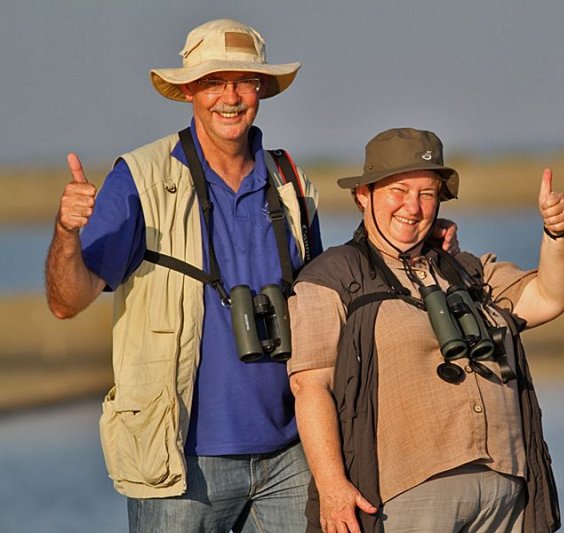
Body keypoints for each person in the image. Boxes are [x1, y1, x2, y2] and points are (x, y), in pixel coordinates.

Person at [45, 19, 455, 533]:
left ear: (261, 89)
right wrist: (66, 231)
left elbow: (333, 289)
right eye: (215, 81)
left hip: (292, 455)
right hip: (180, 461)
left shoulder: (289, 179)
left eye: (244, 81)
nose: (230, 97)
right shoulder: (141, 177)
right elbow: (67, 301)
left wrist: (418, 235)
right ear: (189, 90)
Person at [288, 127, 564, 533]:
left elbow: (549, 297)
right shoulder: (332, 276)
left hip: (506, 486)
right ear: (363, 195)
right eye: (398, 190)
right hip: (407, 491)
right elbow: (310, 386)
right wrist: (333, 486)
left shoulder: (465, 268)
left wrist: (556, 235)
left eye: (427, 193)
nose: (414, 206)